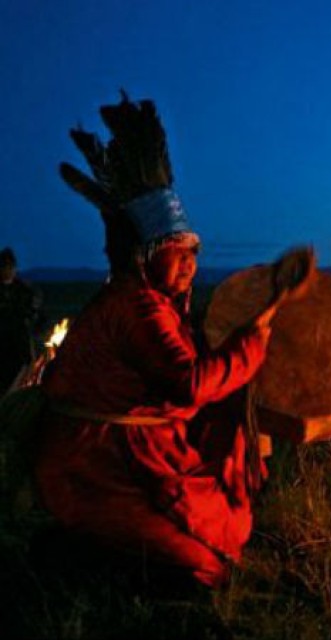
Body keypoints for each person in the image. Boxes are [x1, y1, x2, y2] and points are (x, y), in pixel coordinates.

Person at [34, 94, 277, 589]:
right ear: (145, 256)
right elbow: (187, 383)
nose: (189, 263)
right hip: (94, 464)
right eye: (176, 252)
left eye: (193, 252)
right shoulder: (136, 304)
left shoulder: (158, 302)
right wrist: (251, 343)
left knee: (218, 534)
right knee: (202, 566)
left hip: (131, 448)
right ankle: (72, 555)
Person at [0, 247, 43, 393]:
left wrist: (34, 321)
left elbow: (35, 314)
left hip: (19, 341)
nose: (8, 270)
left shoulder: (24, 290)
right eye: (4, 266)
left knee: (22, 374)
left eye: (10, 266)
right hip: (3, 341)